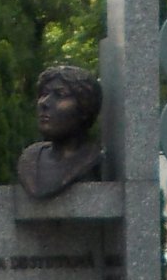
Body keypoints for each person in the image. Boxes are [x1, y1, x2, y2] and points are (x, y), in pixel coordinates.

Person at [15, 64, 103, 200]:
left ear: (85, 107)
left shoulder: (93, 157)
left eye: (60, 94)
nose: (44, 102)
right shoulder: (30, 158)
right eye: (44, 94)